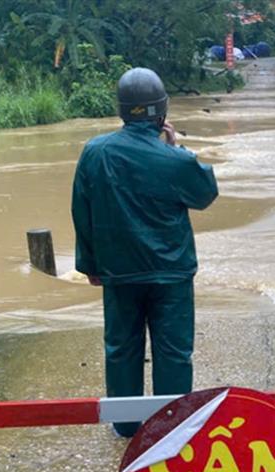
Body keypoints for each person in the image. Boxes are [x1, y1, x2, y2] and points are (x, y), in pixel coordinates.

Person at [71, 67, 219, 438]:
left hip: (119, 273)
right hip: (170, 274)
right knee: (173, 353)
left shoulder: (95, 153)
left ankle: (125, 425)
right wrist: (177, 149)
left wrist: (89, 265)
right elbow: (204, 195)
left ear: (122, 109)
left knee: (121, 349)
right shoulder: (175, 160)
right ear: (162, 111)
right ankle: (172, 427)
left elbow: (81, 210)